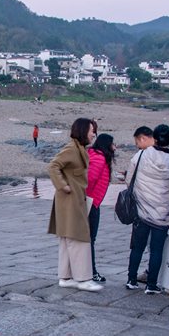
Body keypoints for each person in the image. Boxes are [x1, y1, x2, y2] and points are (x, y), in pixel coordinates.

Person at [126, 125, 169, 294]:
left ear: (155, 138)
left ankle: (131, 280)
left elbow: (129, 179)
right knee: (157, 250)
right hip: (162, 216)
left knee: (137, 247)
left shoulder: (141, 155)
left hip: (142, 211)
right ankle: (151, 285)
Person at [48, 118, 102, 291]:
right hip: (70, 200)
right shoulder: (72, 149)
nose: (94, 134)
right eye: (92, 130)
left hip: (72, 200)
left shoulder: (79, 149)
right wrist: (63, 185)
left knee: (67, 238)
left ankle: (65, 277)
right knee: (79, 237)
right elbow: (53, 165)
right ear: (83, 131)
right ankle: (83, 278)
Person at [86, 133, 114, 283]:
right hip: (90, 202)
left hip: (90, 201)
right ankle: (91, 271)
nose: (114, 147)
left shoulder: (94, 154)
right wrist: (89, 199)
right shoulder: (99, 157)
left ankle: (86, 271)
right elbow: (90, 179)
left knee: (87, 239)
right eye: (112, 144)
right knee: (90, 239)